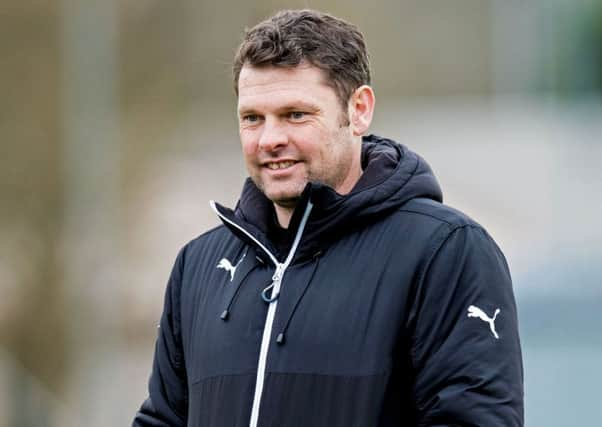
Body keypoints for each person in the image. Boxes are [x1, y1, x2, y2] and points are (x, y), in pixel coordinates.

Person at [133, 9, 523, 427]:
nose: (270, 140)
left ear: (359, 110)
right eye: (252, 119)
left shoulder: (444, 251)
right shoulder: (199, 265)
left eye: (295, 115)